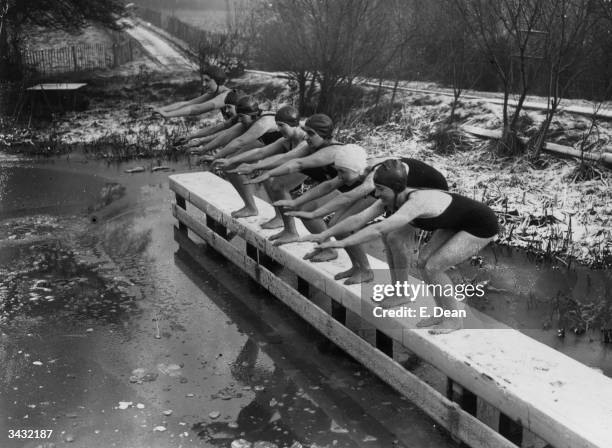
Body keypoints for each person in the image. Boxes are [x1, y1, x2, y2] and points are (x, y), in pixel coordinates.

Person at [311, 159, 498, 333]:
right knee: (423, 261)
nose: (376, 194)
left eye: (380, 189)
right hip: (455, 220)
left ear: (396, 188)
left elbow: (378, 229)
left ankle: (454, 320)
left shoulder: (414, 204)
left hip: (480, 224)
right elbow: (359, 219)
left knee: (434, 266)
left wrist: (341, 243)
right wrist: (324, 234)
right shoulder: (392, 197)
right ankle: (443, 312)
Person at [285, 156, 449, 284]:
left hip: (430, 192)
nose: (339, 177)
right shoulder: (359, 168)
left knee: (395, 237)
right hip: (402, 187)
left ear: (356, 170)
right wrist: (297, 203)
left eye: (342, 173)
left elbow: (349, 196)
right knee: (337, 223)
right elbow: (329, 185)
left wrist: (315, 214)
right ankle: (358, 267)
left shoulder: (373, 179)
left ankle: (371, 273)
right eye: (338, 172)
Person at [242, 114, 356, 262]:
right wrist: (253, 166)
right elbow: (287, 159)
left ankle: (361, 267)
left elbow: (298, 164)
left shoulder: (332, 150)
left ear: (324, 135)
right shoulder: (311, 146)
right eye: (306, 132)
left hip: (365, 192)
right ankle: (326, 247)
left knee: (340, 223)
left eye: (311, 133)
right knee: (304, 208)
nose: (306, 137)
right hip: (340, 188)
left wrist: (266, 172)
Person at [218, 105, 308, 230]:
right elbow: (260, 152)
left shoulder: (304, 141)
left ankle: (289, 228)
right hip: (309, 169)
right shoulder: (287, 139)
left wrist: (254, 166)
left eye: (282, 125)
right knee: (269, 175)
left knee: (277, 183)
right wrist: (230, 160)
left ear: (294, 124)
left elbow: (285, 159)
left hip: (329, 177)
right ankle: (280, 219)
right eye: (277, 125)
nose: (278, 129)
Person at [209, 96, 282, 218]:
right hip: (270, 146)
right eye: (239, 116)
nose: (239, 120)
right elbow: (226, 135)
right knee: (230, 166)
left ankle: (280, 218)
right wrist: (202, 147)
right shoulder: (248, 118)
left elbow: (240, 142)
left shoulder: (263, 122)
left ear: (253, 115)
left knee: (269, 177)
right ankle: (250, 207)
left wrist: (214, 157)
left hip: (291, 148)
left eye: (242, 117)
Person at [154, 65, 230, 118]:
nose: (204, 84)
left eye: (207, 81)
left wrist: (167, 115)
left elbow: (198, 109)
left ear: (218, 80)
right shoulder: (214, 93)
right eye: (204, 81)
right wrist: (160, 109)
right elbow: (187, 103)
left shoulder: (227, 95)